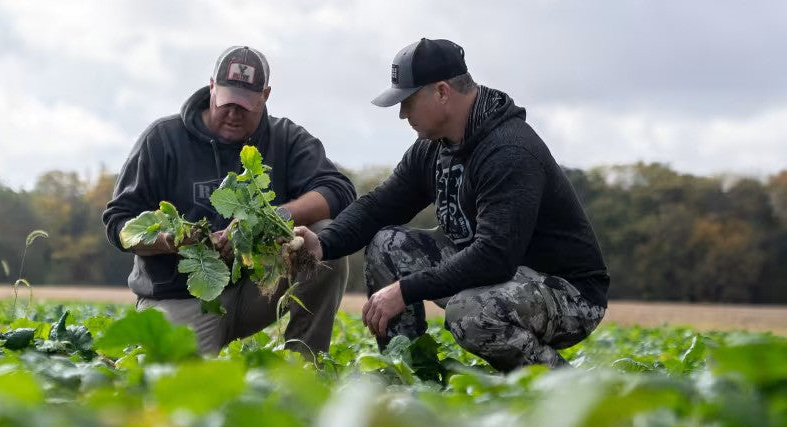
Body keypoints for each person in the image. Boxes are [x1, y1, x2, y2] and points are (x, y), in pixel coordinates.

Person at [293, 38, 609, 371]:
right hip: (501, 273)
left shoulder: (509, 151)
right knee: (387, 244)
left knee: (470, 312)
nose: (402, 114)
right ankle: (411, 372)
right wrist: (322, 245)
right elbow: (379, 206)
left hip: (567, 293)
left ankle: (567, 389)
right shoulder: (433, 146)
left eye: (408, 102)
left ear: (442, 92)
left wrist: (406, 290)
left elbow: (495, 256)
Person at [102, 45, 355, 357]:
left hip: (255, 288)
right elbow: (119, 223)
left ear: (265, 95)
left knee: (323, 239)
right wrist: (172, 240)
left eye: (245, 105)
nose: (234, 114)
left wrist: (268, 218)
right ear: (212, 88)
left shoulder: (285, 138)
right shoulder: (163, 139)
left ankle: (304, 368)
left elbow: (338, 189)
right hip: (180, 297)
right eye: (227, 103)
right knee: (178, 386)